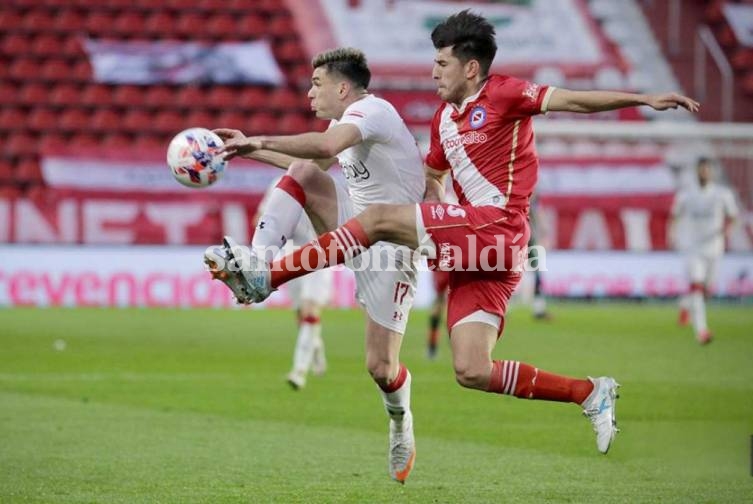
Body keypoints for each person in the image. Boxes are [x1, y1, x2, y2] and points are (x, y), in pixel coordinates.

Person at [210, 11, 699, 456]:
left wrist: (642, 99)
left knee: (378, 218)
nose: (433, 72)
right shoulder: (445, 120)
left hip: (499, 228)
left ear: (471, 68)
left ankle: (265, 278)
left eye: (442, 62)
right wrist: (428, 214)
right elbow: (431, 179)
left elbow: (572, 101)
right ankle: (590, 391)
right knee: (471, 370)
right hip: (475, 248)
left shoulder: (504, 93)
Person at [207, 47, 425, 483]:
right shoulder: (343, 123)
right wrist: (245, 149)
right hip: (356, 222)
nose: (310, 93)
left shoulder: (374, 111)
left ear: (343, 88)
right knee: (305, 175)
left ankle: (401, 422)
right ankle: (257, 265)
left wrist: (260, 140)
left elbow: (325, 146)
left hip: (393, 247)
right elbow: (311, 160)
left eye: (317, 84)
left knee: (381, 368)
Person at [252, 179, 333, 390]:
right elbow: (261, 218)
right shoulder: (279, 183)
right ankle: (315, 346)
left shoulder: (327, 184)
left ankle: (299, 371)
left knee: (310, 309)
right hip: (291, 253)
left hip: (322, 252)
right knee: (300, 313)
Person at [670, 157, 738, 344]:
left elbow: (733, 216)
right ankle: (702, 331)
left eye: (707, 170)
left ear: (712, 172)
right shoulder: (686, 195)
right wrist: (673, 235)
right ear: (697, 171)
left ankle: (684, 304)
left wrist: (727, 230)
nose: (704, 173)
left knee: (706, 290)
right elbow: (675, 215)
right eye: (701, 170)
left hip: (715, 247)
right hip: (693, 247)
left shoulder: (722, 194)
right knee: (697, 287)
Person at [426, 269, 449, 359]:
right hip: (442, 276)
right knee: (436, 314)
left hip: (449, 277)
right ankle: (432, 348)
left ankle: (432, 349)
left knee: (441, 313)